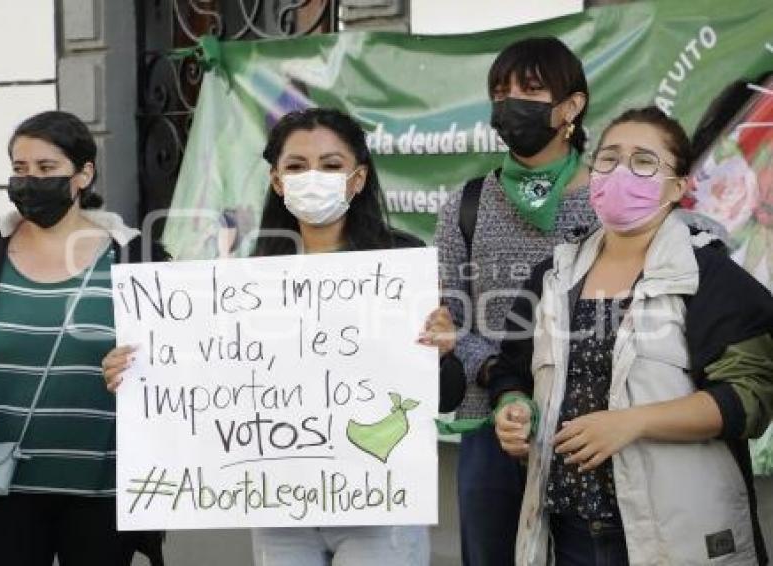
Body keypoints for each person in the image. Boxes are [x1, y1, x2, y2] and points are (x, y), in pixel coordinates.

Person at [105, 107, 430, 565]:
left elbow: (444, 385)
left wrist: (439, 349)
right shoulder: (250, 276)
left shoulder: (402, 262)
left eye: (331, 165)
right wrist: (136, 369)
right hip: (281, 506)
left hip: (376, 504)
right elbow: (208, 371)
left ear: (357, 179)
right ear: (277, 181)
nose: (312, 177)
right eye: (296, 166)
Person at [493, 106, 773, 565]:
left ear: (679, 187)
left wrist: (632, 422)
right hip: (566, 534)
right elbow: (511, 370)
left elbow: (751, 396)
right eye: (609, 159)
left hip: (672, 538)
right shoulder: (552, 275)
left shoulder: (708, 277)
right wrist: (513, 408)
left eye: (644, 162)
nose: (622, 171)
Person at [0, 111, 166, 566]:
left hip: (105, 492)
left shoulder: (138, 258)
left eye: (46, 169)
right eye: (20, 169)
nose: (29, 180)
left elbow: (166, 365)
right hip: (2, 491)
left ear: (83, 173)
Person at [419, 36, 595, 566]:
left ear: (571, 106)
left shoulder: (609, 202)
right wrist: (500, 378)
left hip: (587, 425)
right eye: (501, 91)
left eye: (531, 88)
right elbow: (451, 319)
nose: (511, 101)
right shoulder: (466, 205)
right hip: (490, 427)